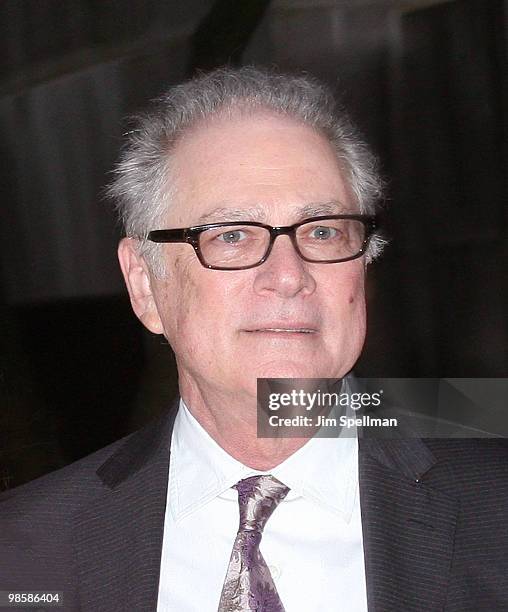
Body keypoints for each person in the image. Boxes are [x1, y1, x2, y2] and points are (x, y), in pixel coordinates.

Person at [1, 67, 507, 612]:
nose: (289, 276)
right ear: (145, 285)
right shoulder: (26, 551)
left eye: (323, 231)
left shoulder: (493, 500)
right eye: (233, 236)